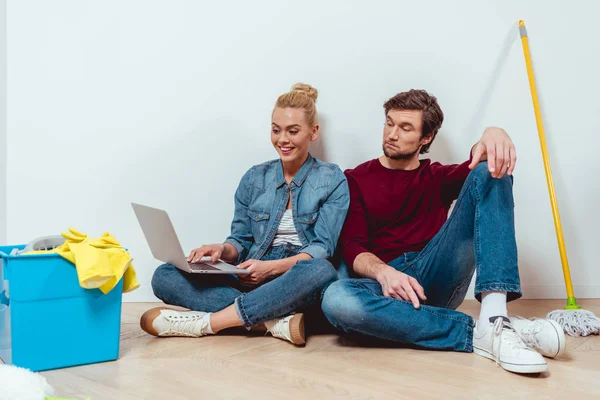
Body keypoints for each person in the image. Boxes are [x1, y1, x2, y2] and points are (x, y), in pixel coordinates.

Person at [321, 89, 565, 373]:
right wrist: (384, 273)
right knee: (336, 299)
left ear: (426, 138)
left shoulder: (436, 177)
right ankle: (484, 329)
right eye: (389, 123)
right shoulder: (355, 178)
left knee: (491, 172)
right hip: (386, 286)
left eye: (405, 127)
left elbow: (480, 166)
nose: (392, 134)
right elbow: (353, 246)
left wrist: (493, 132)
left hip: (434, 276)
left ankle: (495, 311)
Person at [141, 83, 349, 346]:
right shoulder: (254, 178)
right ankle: (271, 321)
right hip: (249, 274)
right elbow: (240, 240)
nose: (282, 140)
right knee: (164, 275)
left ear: (313, 132)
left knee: (322, 271)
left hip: (294, 279)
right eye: (276, 130)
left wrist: (271, 268)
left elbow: (322, 248)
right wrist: (220, 250)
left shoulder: (332, 178)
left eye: (293, 131)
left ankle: (208, 323)